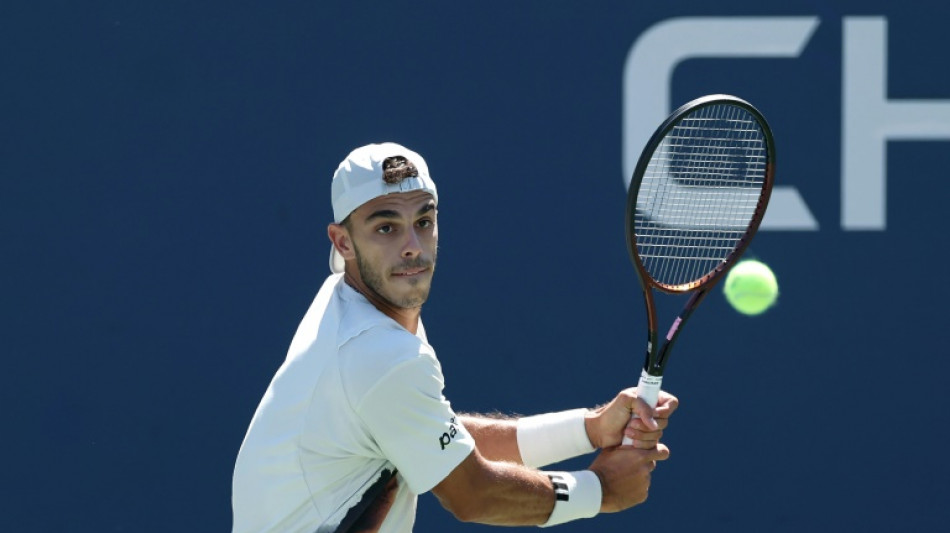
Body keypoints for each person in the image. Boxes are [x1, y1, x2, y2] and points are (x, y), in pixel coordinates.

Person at [231, 142, 679, 532]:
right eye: (386, 227)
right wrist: (601, 490)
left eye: (423, 221)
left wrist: (589, 429)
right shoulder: (377, 352)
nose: (412, 245)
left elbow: (435, 438)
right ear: (343, 242)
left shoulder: (354, 305)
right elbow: (473, 493)